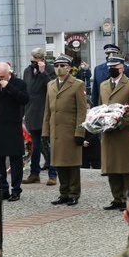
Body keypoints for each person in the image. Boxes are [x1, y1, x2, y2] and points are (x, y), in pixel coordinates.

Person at [0, 62, 30, 202]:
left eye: (2, 76)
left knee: (15, 159)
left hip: (13, 125)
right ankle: (3, 189)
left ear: (9, 73)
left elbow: (24, 99)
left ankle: (16, 190)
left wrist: (8, 87)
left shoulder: (18, 83)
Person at [43, 55, 87, 207]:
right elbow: (47, 110)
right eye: (56, 65)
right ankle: (64, 193)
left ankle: (74, 193)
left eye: (62, 65)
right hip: (56, 131)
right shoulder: (50, 85)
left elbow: (82, 111)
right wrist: (45, 132)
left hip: (70, 130)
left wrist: (80, 132)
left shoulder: (77, 84)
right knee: (59, 163)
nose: (59, 68)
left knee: (72, 164)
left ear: (69, 67)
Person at [99, 55, 129, 210]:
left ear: (122, 68)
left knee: (126, 169)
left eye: (115, 67)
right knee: (112, 167)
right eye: (110, 67)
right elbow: (100, 107)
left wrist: (120, 122)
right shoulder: (104, 85)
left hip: (123, 132)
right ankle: (117, 198)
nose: (112, 69)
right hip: (108, 133)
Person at [22, 47, 58, 185]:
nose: (33, 63)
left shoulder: (50, 70)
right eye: (32, 61)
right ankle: (34, 173)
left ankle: (52, 173)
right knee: (34, 146)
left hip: (45, 112)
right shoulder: (27, 71)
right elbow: (26, 91)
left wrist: (43, 73)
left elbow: (52, 88)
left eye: (36, 61)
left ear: (42, 60)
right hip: (31, 112)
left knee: (49, 145)